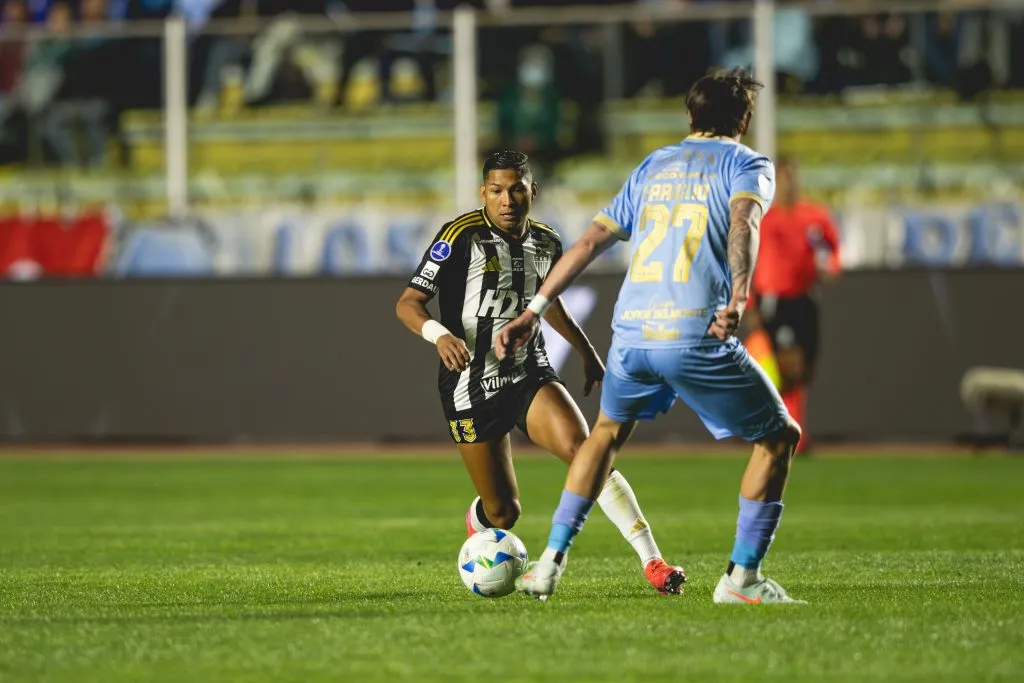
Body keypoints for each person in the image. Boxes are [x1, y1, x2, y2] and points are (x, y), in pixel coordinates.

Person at [497, 69, 805, 604]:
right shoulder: (749, 164)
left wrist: (535, 307)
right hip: (693, 332)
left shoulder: (654, 165)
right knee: (779, 438)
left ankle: (547, 564)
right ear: (745, 120)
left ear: (689, 116)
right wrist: (737, 297)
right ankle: (741, 580)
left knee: (606, 435)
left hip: (632, 333)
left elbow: (591, 241)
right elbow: (744, 223)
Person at [395, 150, 685, 595]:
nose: (506, 200)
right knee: (505, 512)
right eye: (496, 191)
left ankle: (654, 562)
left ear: (533, 191)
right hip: (468, 383)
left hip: (528, 372)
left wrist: (586, 351)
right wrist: (439, 335)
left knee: (587, 451)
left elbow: (547, 303)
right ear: (483, 194)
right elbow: (408, 303)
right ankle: (481, 522)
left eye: (515, 189)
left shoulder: (547, 242)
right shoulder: (459, 237)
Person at [750, 156, 841, 454]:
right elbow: (747, 262)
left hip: (805, 298)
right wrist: (750, 303)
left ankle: (788, 429)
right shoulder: (765, 218)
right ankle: (787, 433)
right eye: (782, 178)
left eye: (791, 177)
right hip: (777, 299)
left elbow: (833, 249)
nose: (788, 184)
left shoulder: (813, 216)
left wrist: (832, 268)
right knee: (789, 366)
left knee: (804, 370)